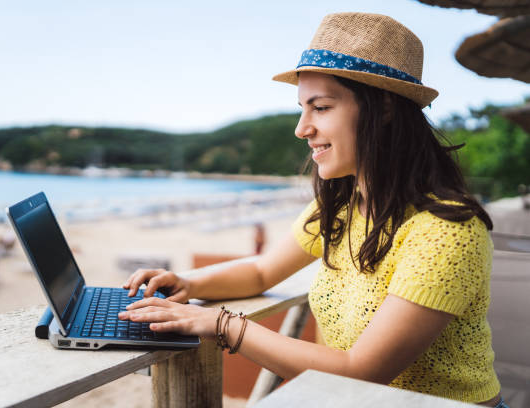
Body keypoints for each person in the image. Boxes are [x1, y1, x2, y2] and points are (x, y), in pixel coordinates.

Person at [119, 12, 506, 407]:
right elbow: (260, 271)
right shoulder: (341, 206)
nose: (302, 128)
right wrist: (187, 283)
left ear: (385, 108)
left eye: (320, 108)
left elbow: (363, 370)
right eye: (302, 109)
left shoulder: (446, 230)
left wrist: (221, 325)